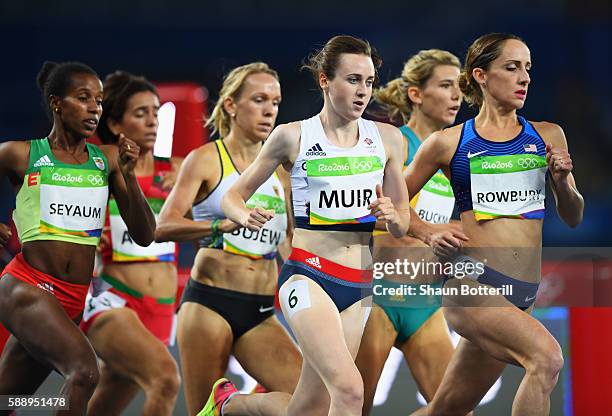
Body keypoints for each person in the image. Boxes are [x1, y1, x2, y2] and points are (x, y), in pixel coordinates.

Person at [204, 35, 411, 416]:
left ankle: (230, 407)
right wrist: (241, 215)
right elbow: (234, 195)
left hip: (359, 284)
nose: (363, 91)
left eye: (369, 81)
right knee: (349, 392)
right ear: (325, 81)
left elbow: (402, 222)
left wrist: (390, 215)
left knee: (312, 406)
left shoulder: (388, 140)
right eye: (352, 80)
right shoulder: (292, 136)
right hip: (308, 278)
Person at [405, 33, 584, 415]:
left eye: (528, 69)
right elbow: (388, 202)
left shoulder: (548, 136)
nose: (525, 78)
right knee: (547, 359)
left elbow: (573, 216)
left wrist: (563, 182)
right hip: (473, 286)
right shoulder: (448, 142)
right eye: (512, 67)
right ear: (481, 76)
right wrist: (428, 231)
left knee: (447, 409)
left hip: (520, 298)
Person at [0, 61, 155, 415]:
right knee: (84, 373)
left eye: (98, 101)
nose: (94, 109)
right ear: (57, 103)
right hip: (27, 287)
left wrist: (130, 178)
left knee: (6, 400)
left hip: (71, 301)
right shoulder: (21, 154)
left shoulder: (108, 161)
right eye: (83, 98)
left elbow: (146, 235)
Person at [155, 62, 301, 416]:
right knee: (199, 413)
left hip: (260, 310)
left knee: (314, 403)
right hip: (209, 304)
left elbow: (289, 245)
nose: (269, 110)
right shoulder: (205, 159)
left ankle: (235, 405)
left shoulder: (282, 170)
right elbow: (164, 226)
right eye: (259, 100)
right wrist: (220, 227)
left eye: (275, 102)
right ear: (232, 106)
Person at [355, 49, 464, 414]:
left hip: (425, 301)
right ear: (416, 94)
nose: (456, 96)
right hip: (379, 295)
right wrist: (430, 231)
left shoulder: (453, 153)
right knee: (354, 407)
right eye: (446, 85)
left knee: (455, 409)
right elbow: (380, 210)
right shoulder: (395, 144)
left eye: (460, 87)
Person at [79, 71, 181, 415]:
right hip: (114, 301)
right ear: (117, 125)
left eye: (155, 112)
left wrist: (186, 186)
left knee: (106, 403)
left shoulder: (180, 171)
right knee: (166, 379)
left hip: (162, 310)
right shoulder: (100, 171)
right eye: (141, 113)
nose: (152, 121)